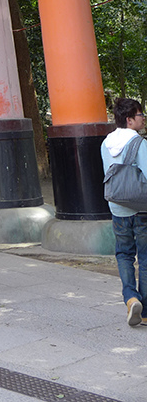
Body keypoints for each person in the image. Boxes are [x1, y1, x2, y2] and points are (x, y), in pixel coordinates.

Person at [101, 97, 147, 326]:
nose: (143, 118)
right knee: (146, 257)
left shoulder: (106, 143)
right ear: (129, 120)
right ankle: (146, 311)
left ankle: (130, 298)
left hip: (117, 208)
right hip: (141, 209)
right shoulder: (139, 143)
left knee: (124, 254)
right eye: (140, 115)